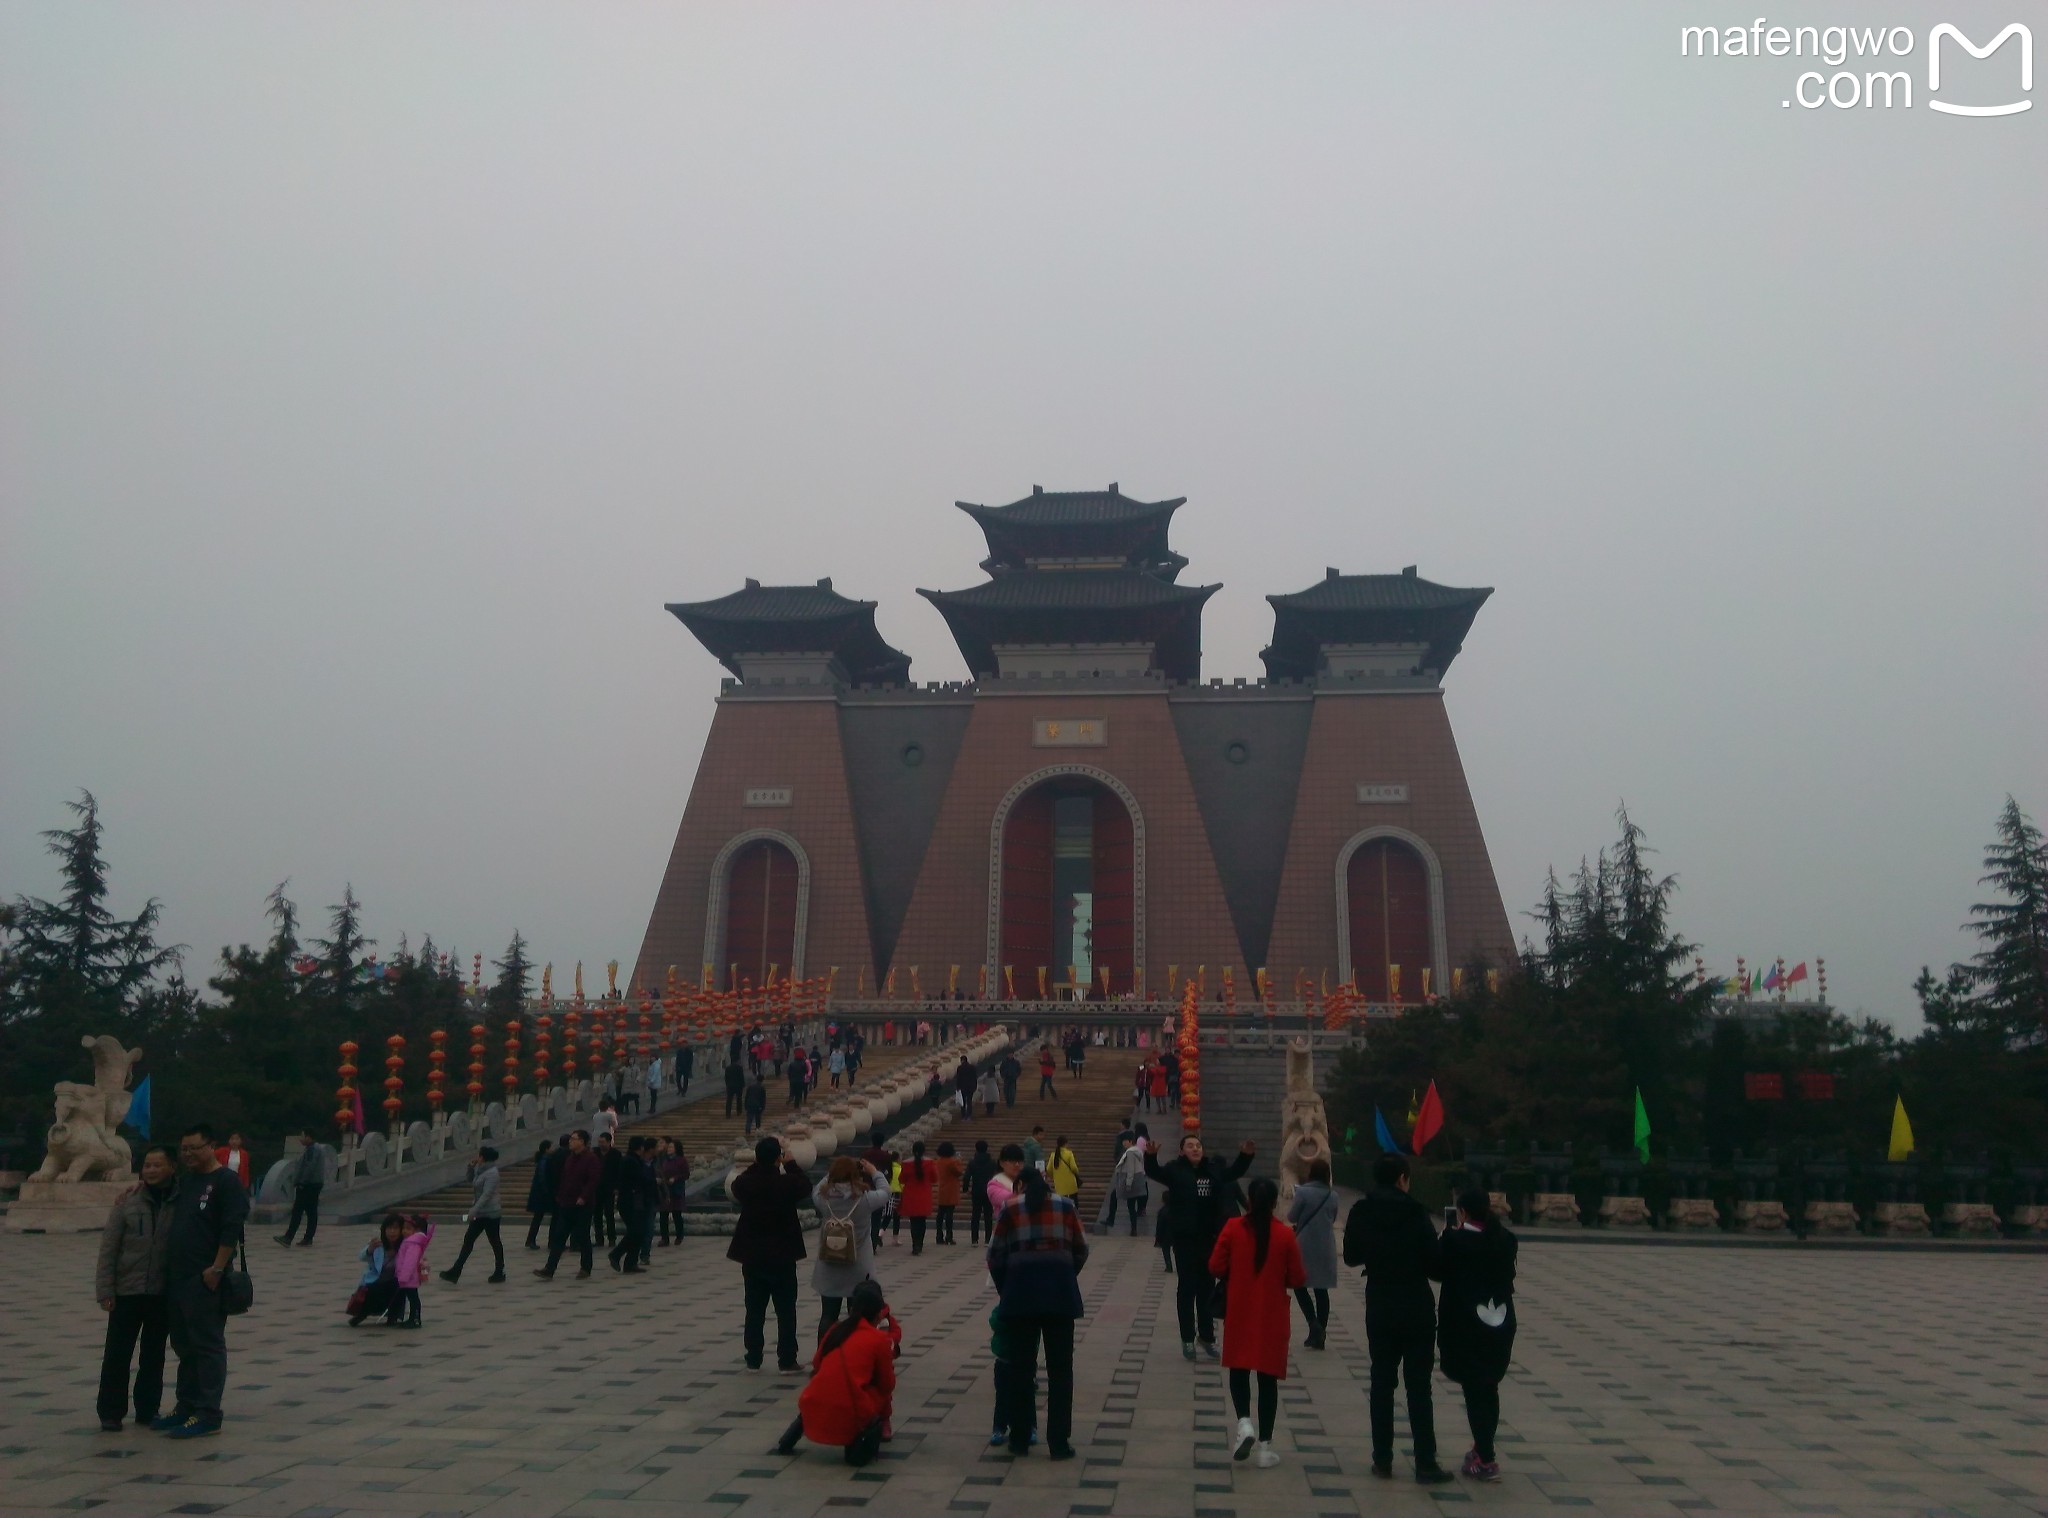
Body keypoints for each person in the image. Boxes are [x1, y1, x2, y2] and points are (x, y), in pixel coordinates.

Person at [1342, 1152, 1451, 1484]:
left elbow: (1350, 1256)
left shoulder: (1362, 1210)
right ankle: (1426, 1463)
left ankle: (1383, 1459)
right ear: (1403, 1178)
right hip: (1415, 1303)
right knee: (1419, 1386)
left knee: (1382, 1382)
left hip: (1380, 1302)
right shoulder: (1417, 1212)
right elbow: (1436, 1268)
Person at [985, 1149, 1088, 1460]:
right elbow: (1081, 1250)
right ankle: (1059, 1442)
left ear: (1022, 1185)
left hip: (1020, 1299)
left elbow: (994, 1256)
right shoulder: (1066, 1206)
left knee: (1020, 1370)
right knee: (1061, 1373)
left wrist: (1008, 1288)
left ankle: (1018, 1438)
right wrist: (1065, 1274)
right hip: (1060, 1299)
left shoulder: (1010, 1209)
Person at [157, 1123, 249, 1439]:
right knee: (184, 1345)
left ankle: (208, 1412)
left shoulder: (225, 1181)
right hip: (178, 1276)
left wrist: (217, 1269)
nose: (189, 1154)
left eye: (195, 1148)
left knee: (207, 1345)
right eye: (184, 1149)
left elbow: (231, 1227)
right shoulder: (187, 1180)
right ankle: (186, 1405)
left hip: (206, 1278)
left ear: (211, 1146)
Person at [1211, 1177, 1306, 1467]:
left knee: (1239, 1371)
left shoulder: (1232, 1228)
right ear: (1276, 1202)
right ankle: (1265, 1447)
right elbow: (1298, 1278)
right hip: (1271, 1315)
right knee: (1268, 1381)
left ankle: (1244, 1424)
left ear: (1249, 1201)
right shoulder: (1285, 1236)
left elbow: (1215, 1265)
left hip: (1240, 1311)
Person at [1145, 1133, 1256, 1360]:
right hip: (1184, 1239)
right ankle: (1187, 1338)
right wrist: (1150, 1157)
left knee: (1207, 1288)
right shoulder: (1175, 1170)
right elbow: (1154, 1172)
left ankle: (1206, 1337)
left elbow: (1234, 1172)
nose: (1195, 1149)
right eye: (1190, 1146)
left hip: (1209, 1238)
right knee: (1187, 1289)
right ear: (1181, 1151)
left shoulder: (1213, 1170)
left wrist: (1245, 1156)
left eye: (1198, 1145)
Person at [1438, 1189, 1517, 1484]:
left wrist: (1450, 1235)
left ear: (1463, 1212)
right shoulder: (1506, 1239)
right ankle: (1483, 1448)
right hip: (1500, 1321)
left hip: (1466, 1324)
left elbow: (1438, 1270)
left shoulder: (1454, 1240)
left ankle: (1485, 1458)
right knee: (1489, 1386)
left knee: (1474, 1389)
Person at [96, 1143, 176, 1431]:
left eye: (158, 1165)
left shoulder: (178, 1201)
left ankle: (147, 1409)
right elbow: (109, 1250)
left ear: (171, 1168)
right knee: (117, 1354)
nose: (152, 1170)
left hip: (160, 1292)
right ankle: (111, 1412)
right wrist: (105, 1290)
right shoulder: (127, 1203)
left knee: (153, 1355)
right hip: (126, 1291)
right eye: (147, 1165)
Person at [774, 1279, 898, 1464]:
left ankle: (790, 1437)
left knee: (833, 1387)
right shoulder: (878, 1339)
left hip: (811, 1403)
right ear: (879, 1315)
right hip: (849, 1413)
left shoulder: (836, 1330)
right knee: (877, 1392)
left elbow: (817, 1363)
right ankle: (860, 1442)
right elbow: (887, 1384)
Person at [727, 1136, 810, 1372]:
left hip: (753, 1256)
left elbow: (738, 1183)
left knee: (754, 1309)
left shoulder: (748, 1184)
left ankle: (753, 1356)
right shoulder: (786, 1184)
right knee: (786, 1310)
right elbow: (805, 1184)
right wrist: (790, 1162)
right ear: (778, 1158)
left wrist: (761, 1162)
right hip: (783, 1256)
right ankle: (786, 1359)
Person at [811, 1156, 889, 1333]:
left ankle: (824, 1355)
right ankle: (856, 1354)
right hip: (859, 1266)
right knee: (859, 1318)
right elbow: (886, 1191)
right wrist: (874, 1172)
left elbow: (817, 1187)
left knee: (828, 1316)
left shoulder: (822, 1198)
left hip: (830, 1265)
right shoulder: (865, 1199)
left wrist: (833, 1172)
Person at [1286, 1158, 1339, 1349]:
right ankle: (1320, 1333)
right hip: (1325, 1245)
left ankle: (1313, 1324)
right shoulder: (1333, 1195)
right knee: (1321, 1289)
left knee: (1299, 1285)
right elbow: (1332, 1217)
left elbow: (1291, 1216)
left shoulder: (1303, 1192)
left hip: (1304, 1245)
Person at [536, 1129, 600, 1280]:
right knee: (559, 1237)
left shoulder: (591, 1159)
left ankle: (586, 1267)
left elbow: (593, 1181)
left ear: (582, 1142)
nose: (570, 1141)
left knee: (582, 1236)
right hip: (566, 1202)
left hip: (583, 1205)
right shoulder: (570, 1158)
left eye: (574, 1139)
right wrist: (560, 1196)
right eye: (571, 1139)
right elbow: (565, 1178)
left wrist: (583, 1197)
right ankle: (549, 1269)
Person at [438, 1147, 506, 1284]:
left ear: (484, 1157)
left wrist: (474, 1210)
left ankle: (499, 1271)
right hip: (480, 1212)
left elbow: (487, 1195)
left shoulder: (492, 1173)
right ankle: (455, 1271)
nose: (478, 1157)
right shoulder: (480, 1169)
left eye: (479, 1155)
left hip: (491, 1213)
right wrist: (470, 1167)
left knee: (494, 1241)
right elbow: (471, 1181)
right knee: (469, 1239)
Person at [609, 1136, 658, 1273]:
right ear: (641, 1147)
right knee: (636, 1231)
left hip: (633, 1201)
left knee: (637, 1232)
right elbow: (640, 1179)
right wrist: (653, 1181)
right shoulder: (631, 1161)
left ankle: (630, 1263)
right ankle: (616, 1254)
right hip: (630, 1202)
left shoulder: (633, 1160)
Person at [273, 1129, 330, 1247]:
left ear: (309, 1137)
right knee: (311, 1211)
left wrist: (301, 1182)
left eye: (302, 1136)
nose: (301, 1139)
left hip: (308, 1185)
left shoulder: (312, 1150)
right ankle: (308, 1238)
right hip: (315, 1184)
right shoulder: (316, 1149)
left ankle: (288, 1237)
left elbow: (309, 1167)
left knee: (297, 1211)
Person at [348, 1214, 405, 1326]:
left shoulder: (405, 1246)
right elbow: (361, 1256)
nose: (392, 1232)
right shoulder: (378, 1244)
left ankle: (393, 1316)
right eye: (389, 1228)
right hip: (376, 1280)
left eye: (396, 1228)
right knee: (373, 1290)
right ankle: (361, 1314)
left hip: (394, 1281)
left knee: (401, 1287)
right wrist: (369, 1249)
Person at [390, 1213, 434, 1327]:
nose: (404, 1231)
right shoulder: (410, 1241)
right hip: (408, 1277)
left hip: (409, 1277)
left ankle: (415, 1319)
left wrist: (403, 1277)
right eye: (404, 1228)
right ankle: (413, 1318)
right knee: (413, 1298)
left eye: (408, 1229)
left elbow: (410, 1262)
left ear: (417, 1230)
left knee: (413, 1299)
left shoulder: (412, 1243)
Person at [897, 1142, 936, 1255]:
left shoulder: (906, 1163)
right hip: (924, 1195)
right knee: (922, 1221)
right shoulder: (930, 1162)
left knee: (913, 1222)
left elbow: (901, 1179)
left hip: (910, 1195)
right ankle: (920, 1244)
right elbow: (934, 1178)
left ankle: (915, 1245)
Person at [1110, 1135, 1150, 1235]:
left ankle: (1132, 1228)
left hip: (1131, 1182)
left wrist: (1128, 1184)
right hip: (1137, 1180)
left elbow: (1131, 1170)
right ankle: (1132, 1228)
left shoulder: (1131, 1152)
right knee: (1131, 1206)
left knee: (1130, 1206)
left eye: (1125, 1141)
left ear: (1130, 1141)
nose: (1123, 1143)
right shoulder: (1137, 1151)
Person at [523, 1139, 559, 1250]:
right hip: (541, 1194)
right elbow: (542, 1178)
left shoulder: (543, 1159)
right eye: (551, 1147)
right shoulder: (545, 1160)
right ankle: (531, 1240)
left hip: (539, 1193)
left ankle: (530, 1240)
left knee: (537, 1218)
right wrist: (547, 1191)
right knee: (538, 1218)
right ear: (546, 1149)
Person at [657, 1139, 691, 1247]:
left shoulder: (681, 1160)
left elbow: (686, 1174)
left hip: (676, 1189)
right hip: (665, 1190)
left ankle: (679, 1235)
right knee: (663, 1215)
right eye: (669, 1147)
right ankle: (664, 1238)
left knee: (677, 1214)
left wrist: (675, 1178)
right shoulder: (664, 1160)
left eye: (671, 1147)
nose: (669, 1149)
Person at [964, 1140, 999, 1245]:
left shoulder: (972, 1162)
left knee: (975, 1215)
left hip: (976, 1191)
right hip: (989, 1191)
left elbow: (966, 1177)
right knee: (988, 1215)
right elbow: (997, 1176)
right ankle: (988, 1239)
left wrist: (966, 1189)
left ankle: (974, 1239)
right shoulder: (992, 1162)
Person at [593, 1131, 622, 1247]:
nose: (600, 1144)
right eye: (599, 1142)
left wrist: (617, 1187)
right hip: (596, 1188)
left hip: (610, 1188)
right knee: (597, 1215)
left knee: (609, 1214)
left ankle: (611, 1238)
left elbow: (620, 1171)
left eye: (603, 1142)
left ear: (609, 1142)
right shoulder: (595, 1153)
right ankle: (599, 1239)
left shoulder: (616, 1154)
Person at [933, 1141, 964, 1244]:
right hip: (951, 1190)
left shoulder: (938, 1161)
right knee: (949, 1215)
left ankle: (939, 1235)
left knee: (940, 1214)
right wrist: (959, 1161)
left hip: (942, 1189)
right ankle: (949, 1236)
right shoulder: (952, 1162)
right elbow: (959, 1172)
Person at [1046, 1137, 1080, 1203]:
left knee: (1062, 1203)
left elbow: (1048, 1169)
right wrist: (1077, 1173)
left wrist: (1053, 1177)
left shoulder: (1053, 1155)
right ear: (1065, 1144)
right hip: (1070, 1183)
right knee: (1074, 1202)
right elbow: (1074, 1167)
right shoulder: (1069, 1153)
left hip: (1059, 1184)